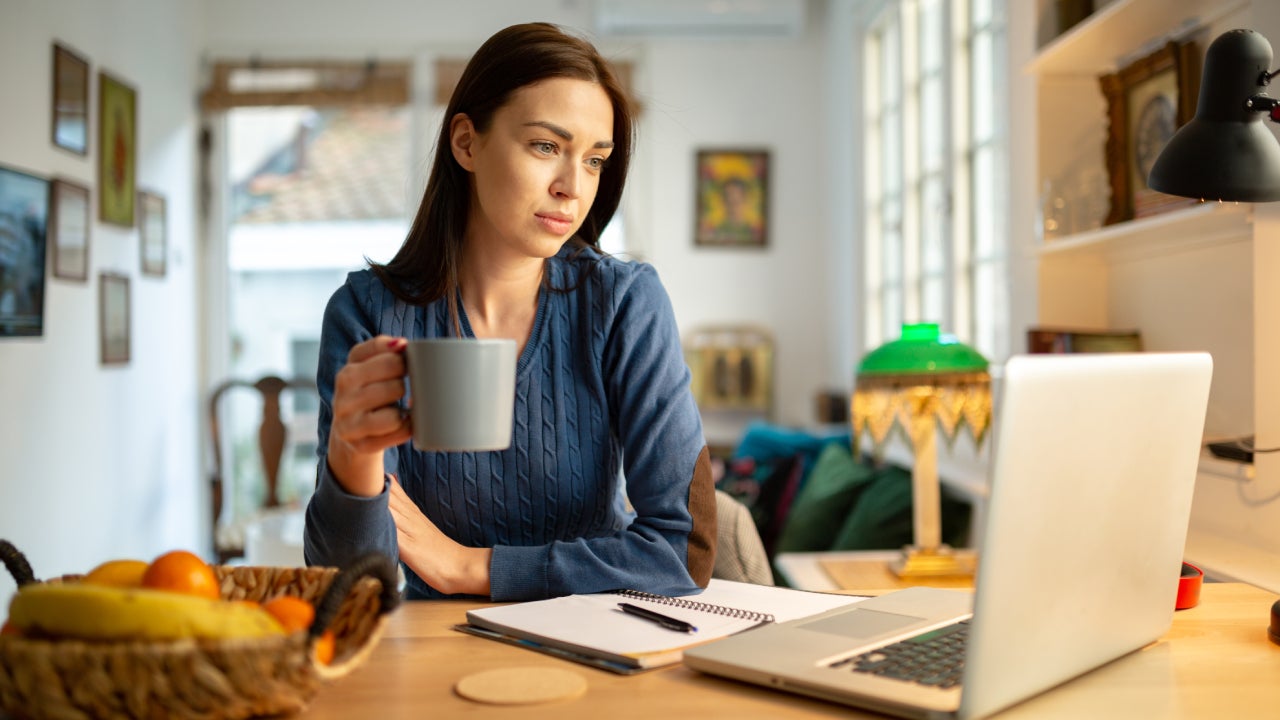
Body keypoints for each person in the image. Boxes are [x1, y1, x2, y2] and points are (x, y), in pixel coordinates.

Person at [303, 22, 716, 602]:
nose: (573, 187)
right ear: (467, 143)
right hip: (432, 653)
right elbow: (351, 586)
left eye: (594, 160)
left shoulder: (625, 304)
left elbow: (685, 550)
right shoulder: (365, 314)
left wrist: (470, 568)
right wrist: (350, 458)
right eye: (547, 147)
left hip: (596, 644)